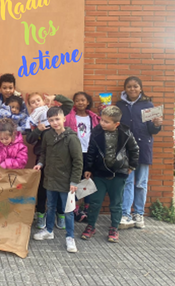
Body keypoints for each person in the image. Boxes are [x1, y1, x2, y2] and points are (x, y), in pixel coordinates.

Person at [81, 106, 139, 243]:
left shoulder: (126, 133)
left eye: (107, 122)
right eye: (102, 120)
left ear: (116, 124)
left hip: (119, 174)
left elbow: (134, 150)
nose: (102, 123)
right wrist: (88, 168)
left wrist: (132, 166)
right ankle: (91, 226)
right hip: (100, 174)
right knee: (95, 202)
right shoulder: (96, 132)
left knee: (116, 204)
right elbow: (91, 151)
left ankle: (114, 228)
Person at [33, 107, 83, 253]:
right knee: (51, 207)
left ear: (63, 119)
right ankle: (49, 231)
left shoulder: (71, 138)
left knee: (68, 210)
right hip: (50, 178)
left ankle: (70, 237)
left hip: (66, 181)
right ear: (48, 121)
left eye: (57, 119)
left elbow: (78, 161)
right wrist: (40, 164)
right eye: (51, 120)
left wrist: (74, 182)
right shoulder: (47, 135)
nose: (55, 123)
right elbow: (43, 153)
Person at [116, 76, 162, 229]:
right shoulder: (119, 105)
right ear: (125, 89)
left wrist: (156, 125)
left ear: (140, 88)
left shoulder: (148, 105)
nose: (132, 89)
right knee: (127, 182)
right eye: (129, 86)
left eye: (135, 86)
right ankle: (125, 213)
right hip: (125, 149)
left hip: (143, 148)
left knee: (141, 183)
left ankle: (139, 213)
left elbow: (152, 130)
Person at [25, 92, 73, 230]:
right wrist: (38, 131)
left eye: (38, 100)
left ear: (43, 101)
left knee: (60, 187)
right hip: (43, 159)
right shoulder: (31, 120)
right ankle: (41, 214)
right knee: (42, 189)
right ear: (30, 106)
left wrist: (56, 97)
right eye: (32, 102)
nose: (36, 104)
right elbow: (29, 139)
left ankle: (61, 214)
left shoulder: (52, 113)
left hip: (61, 158)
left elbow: (69, 104)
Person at [64, 91, 101, 222]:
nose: (80, 102)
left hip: (90, 153)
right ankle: (75, 209)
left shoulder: (93, 117)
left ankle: (87, 209)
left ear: (88, 102)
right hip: (75, 153)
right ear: (74, 103)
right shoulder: (69, 117)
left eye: (83, 100)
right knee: (76, 180)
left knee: (88, 181)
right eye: (77, 100)